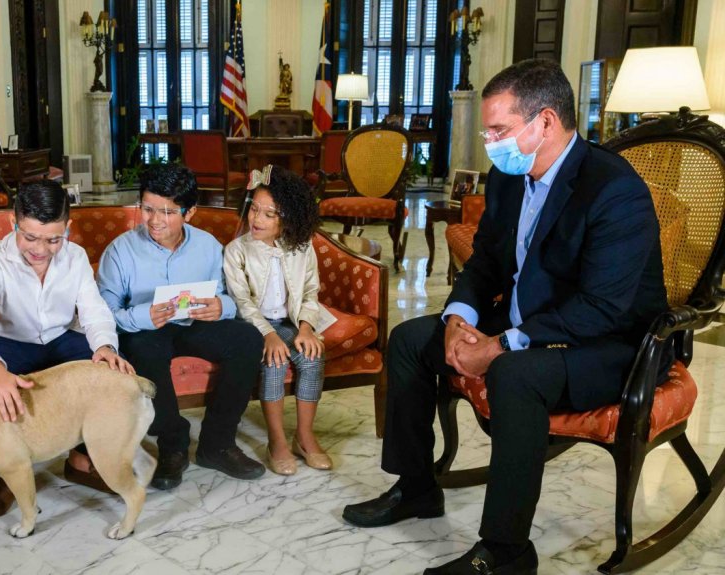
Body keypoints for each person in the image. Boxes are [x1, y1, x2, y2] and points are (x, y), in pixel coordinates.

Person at [341, 59, 671, 574]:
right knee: (410, 339)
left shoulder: (613, 189)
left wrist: (498, 345)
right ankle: (416, 488)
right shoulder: (508, 179)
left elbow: (602, 307)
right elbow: (488, 261)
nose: (489, 141)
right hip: (527, 322)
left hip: (609, 345)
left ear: (544, 122)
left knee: (514, 372)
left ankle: (505, 552)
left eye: (499, 129)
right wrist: (457, 317)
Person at [0, 180, 133, 516]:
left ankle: (83, 459)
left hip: (61, 338)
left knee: (111, 372)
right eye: (30, 237)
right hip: (10, 345)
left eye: (53, 239)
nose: (40, 249)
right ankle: (8, 472)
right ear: (13, 222)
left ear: (68, 228)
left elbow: (94, 310)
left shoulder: (76, 256)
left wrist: (106, 346)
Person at [97, 164, 266, 490]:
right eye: (147, 209)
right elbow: (104, 313)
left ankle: (217, 444)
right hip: (146, 330)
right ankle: (172, 444)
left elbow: (231, 297)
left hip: (194, 324)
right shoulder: (120, 251)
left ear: (189, 213)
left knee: (246, 338)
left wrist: (221, 306)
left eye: (168, 212)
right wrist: (144, 316)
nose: (154, 220)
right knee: (141, 346)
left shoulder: (208, 246)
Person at [223, 165, 336, 475]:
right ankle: (277, 442)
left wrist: (306, 328)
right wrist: (267, 336)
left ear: (287, 218)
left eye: (268, 214)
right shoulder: (236, 251)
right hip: (254, 326)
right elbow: (242, 302)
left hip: (292, 322)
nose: (256, 219)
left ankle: (304, 436)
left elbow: (311, 291)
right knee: (274, 360)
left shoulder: (302, 247)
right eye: (254, 209)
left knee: (312, 356)